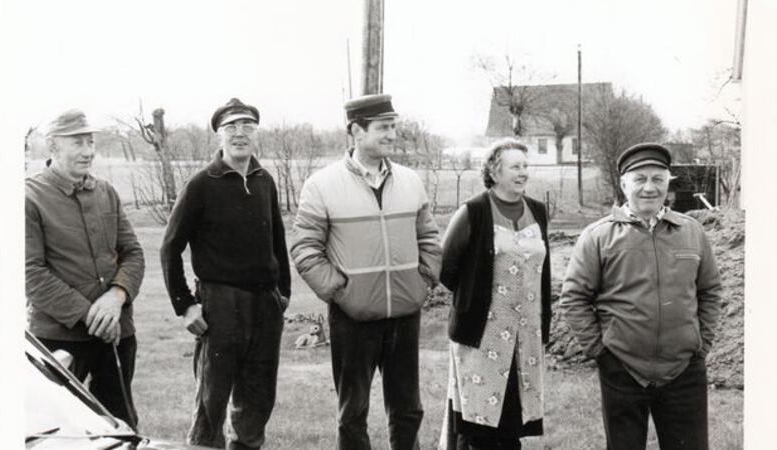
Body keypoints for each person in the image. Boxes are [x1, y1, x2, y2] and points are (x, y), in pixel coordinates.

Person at [290, 93, 442, 450]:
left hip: (405, 313)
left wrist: (423, 281)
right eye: (383, 128)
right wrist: (342, 292)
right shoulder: (321, 185)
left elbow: (429, 236)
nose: (392, 134)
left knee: (408, 410)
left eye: (394, 127)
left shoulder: (410, 181)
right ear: (356, 131)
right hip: (351, 318)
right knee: (352, 413)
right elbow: (305, 248)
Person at [560, 143, 722, 450]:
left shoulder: (692, 232)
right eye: (640, 179)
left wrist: (702, 344)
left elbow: (710, 290)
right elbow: (574, 298)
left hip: (684, 370)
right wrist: (601, 352)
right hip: (622, 370)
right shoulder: (598, 236)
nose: (650, 188)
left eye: (658, 179)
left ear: (668, 184)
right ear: (624, 185)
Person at [160, 98, 291, 450]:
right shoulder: (202, 183)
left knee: (257, 401)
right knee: (211, 403)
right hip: (220, 304)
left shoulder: (265, 180)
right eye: (231, 127)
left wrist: (283, 294)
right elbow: (170, 247)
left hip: (264, 305)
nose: (240, 133)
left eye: (247, 126)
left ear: (256, 134)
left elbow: (278, 240)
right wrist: (186, 305)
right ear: (219, 135)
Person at [25, 109, 145, 427]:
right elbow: (30, 273)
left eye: (90, 142)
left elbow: (133, 253)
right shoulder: (28, 197)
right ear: (53, 147)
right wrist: (92, 314)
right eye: (78, 142)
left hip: (117, 334)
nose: (88, 151)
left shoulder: (106, 191)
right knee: (57, 431)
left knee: (119, 426)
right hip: (59, 339)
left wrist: (116, 297)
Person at [437, 139, 552, 450]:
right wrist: (474, 301)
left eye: (526, 166)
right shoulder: (473, 211)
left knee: (512, 419)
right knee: (477, 424)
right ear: (494, 171)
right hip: (482, 335)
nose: (523, 172)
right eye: (515, 166)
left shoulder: (538, 211)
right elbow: (446, 268)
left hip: (524, 335)